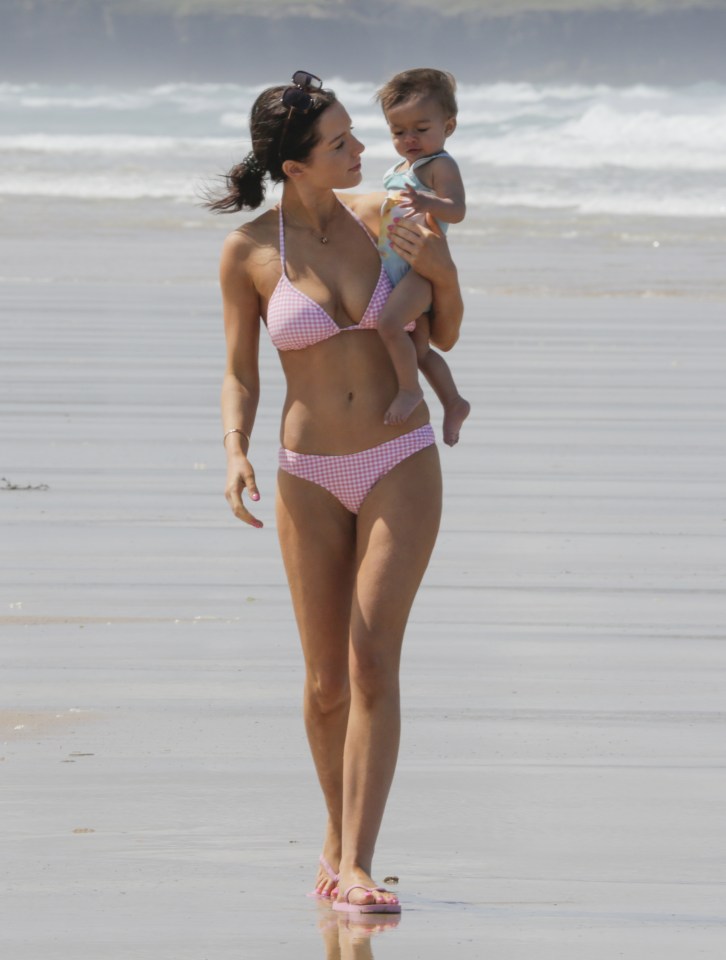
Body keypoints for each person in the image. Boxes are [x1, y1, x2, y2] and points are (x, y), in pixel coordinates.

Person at [209, 70, 463, 914]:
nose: (365, 151)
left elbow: (447, 326)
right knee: (324, 681)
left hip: (400, 458)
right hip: (306, 474)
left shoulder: (386, 216)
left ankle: (358, 862)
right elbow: (241, 372)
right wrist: (235, 449)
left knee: (371, 661)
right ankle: (333, 841)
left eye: (359, 136)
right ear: (295, 163)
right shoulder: (249, 251)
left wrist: (446, 278)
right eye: (341, 143)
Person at [375, 68, 470, 446]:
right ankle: (454, 401)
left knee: (390, 326)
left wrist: (427, 201)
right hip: (395, 264)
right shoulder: (400, 169)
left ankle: (410, 391)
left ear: (449, 126)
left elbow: (457, 209)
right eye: (398, 132)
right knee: (420, 350)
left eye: (421, 128)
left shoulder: (440, 165)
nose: (409, 139)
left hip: (420, 270)